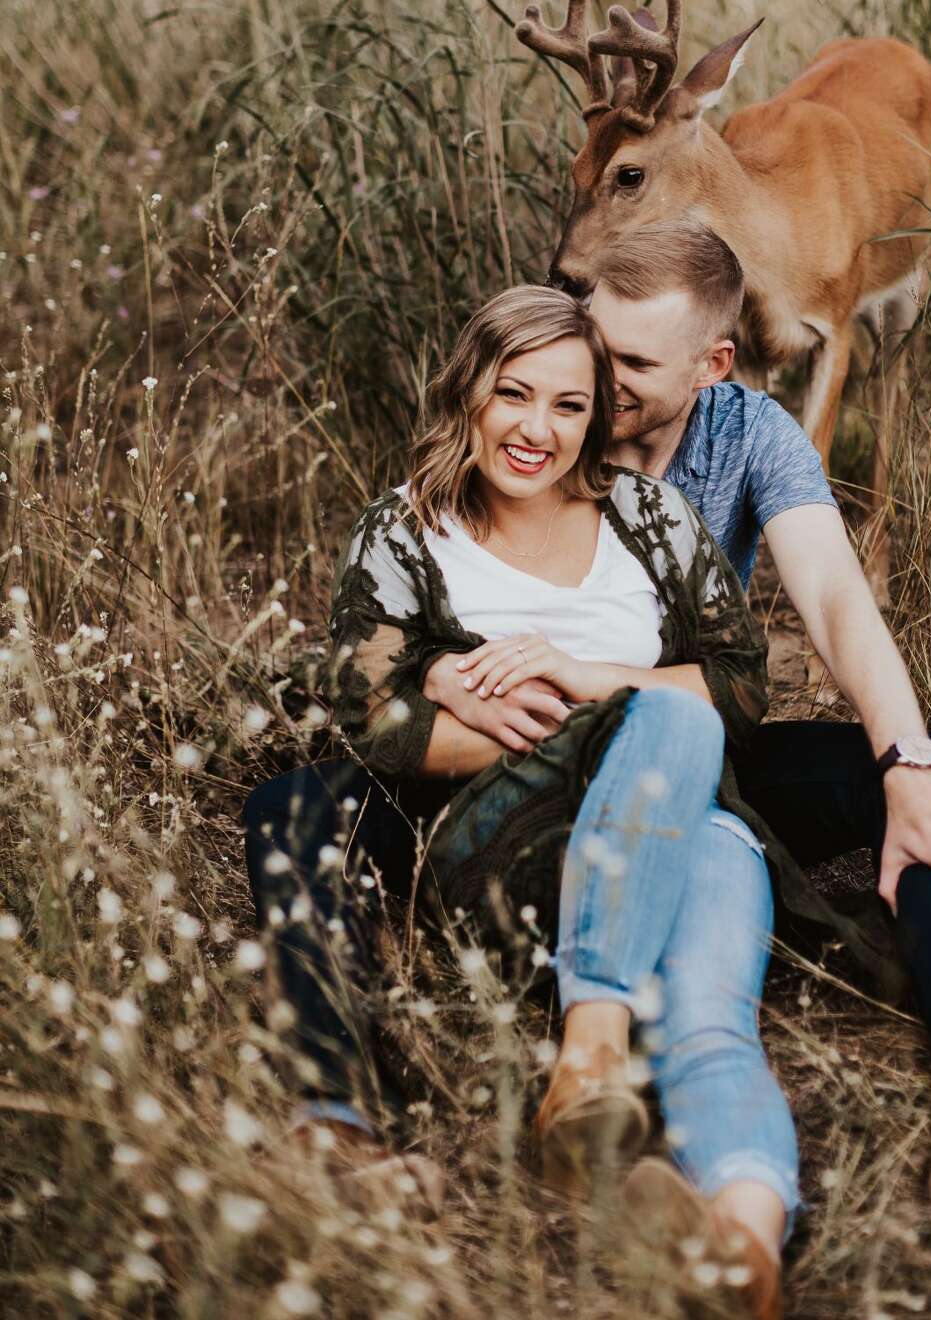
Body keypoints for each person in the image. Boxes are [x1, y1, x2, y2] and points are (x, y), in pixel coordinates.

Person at [245, 225, 931, 1243]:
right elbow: (375, 642)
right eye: (580, 360)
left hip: (679, 743)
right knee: (299, 807)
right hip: (496, 773)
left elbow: (827, 604)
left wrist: (907, 764)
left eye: (618, 374)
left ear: (714, 364)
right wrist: (435, 670)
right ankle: (336, 1114)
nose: (588, 392)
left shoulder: (727, 452)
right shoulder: (509, 432)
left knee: (927, 772)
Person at [302, 282, 805, 1315]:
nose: (536, 430)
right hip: (519, 835)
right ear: (471, 389)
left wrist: (583, 677)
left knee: (716, 1025)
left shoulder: (650, 520)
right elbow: (370, 718)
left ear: (595, 418)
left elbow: (742, 689)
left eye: (568, 406)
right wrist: (538, 722)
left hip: (690, 823)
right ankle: (589, 1058)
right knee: (671, 719)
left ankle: (745, 1249)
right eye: (514, 394)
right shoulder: (408, 531)